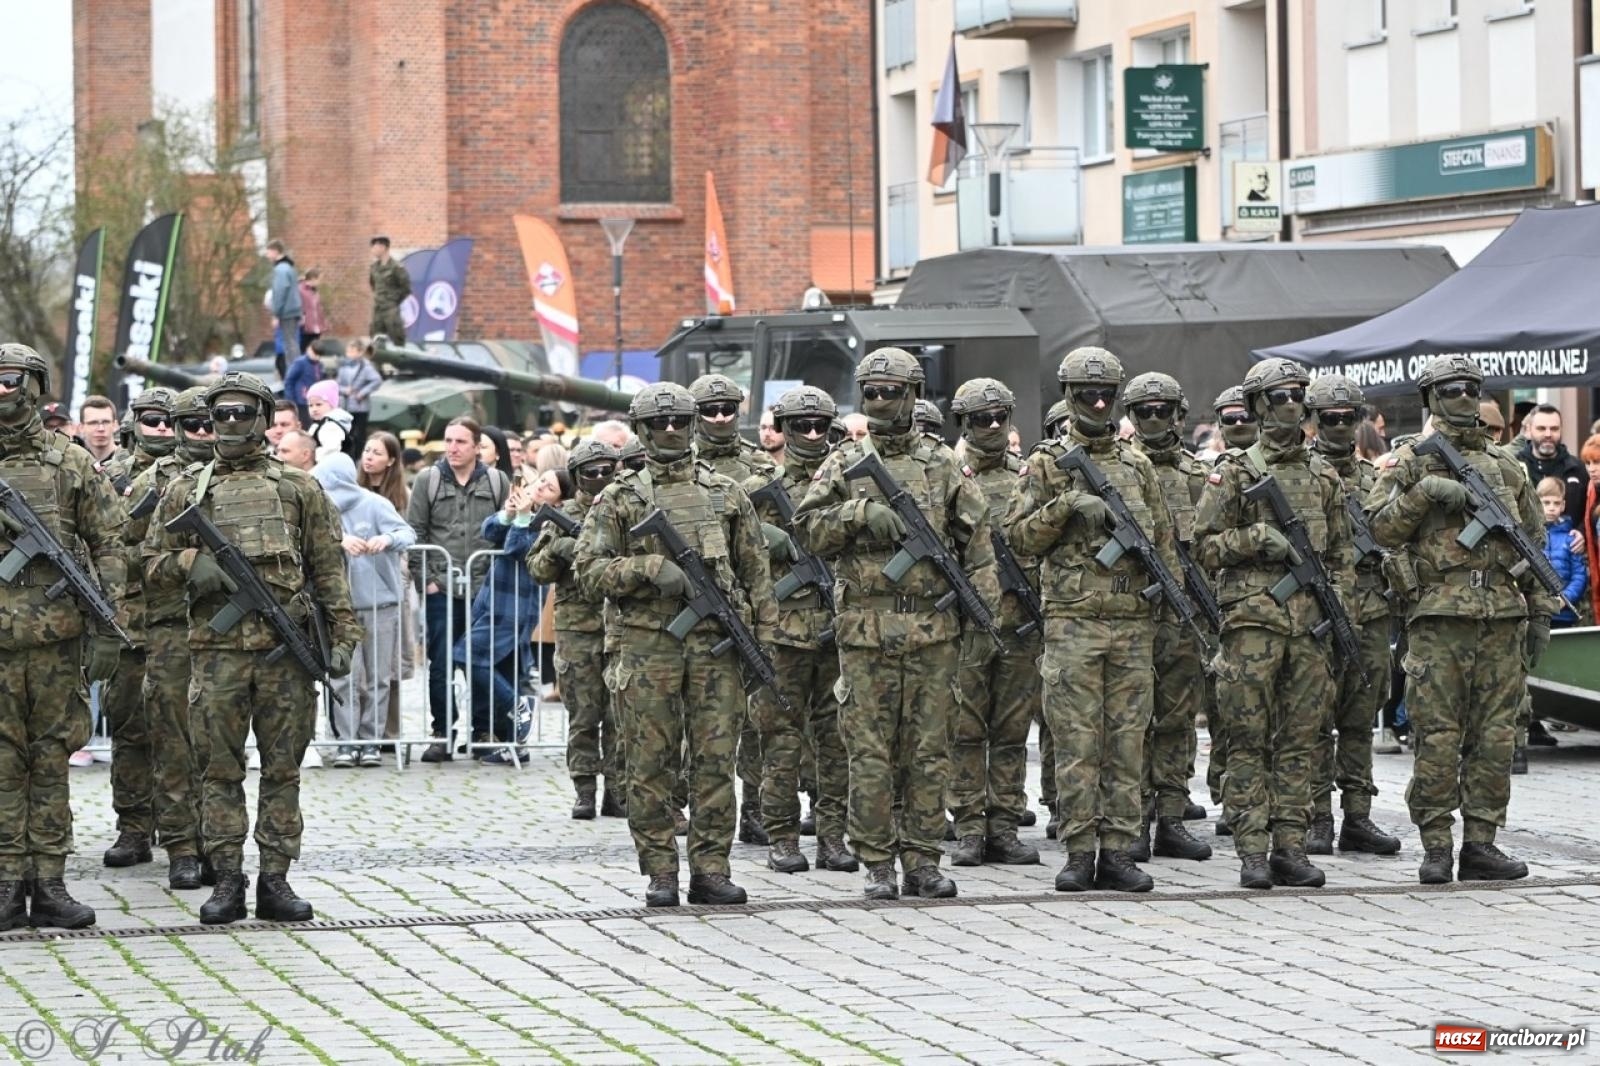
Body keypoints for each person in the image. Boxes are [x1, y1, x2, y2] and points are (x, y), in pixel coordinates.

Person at [145, 371, 360, 925]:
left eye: (244, 413)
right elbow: (146, 565)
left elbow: (329, 570)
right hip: (215, 655)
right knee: (219, 771)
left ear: (264, 419)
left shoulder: (299, 487)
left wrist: (343, 637)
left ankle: (275, 879)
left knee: (283, 770)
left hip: (284, 657)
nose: (233, 423)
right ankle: (227, 880)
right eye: (223, 414)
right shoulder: (186, 490)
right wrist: (195, 564)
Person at [795, 348, 998, 901]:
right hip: (866, 633)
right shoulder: (843, 462)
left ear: (913, 395)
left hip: (933, 634)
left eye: (891, 391)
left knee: (929, 753)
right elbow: (806, 529)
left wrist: (984, 613)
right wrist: (858, 513)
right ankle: (878, 861)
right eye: (872, 392)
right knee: (871, 754)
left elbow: (977, 546)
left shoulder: (942, 463)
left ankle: (923, 859)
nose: (880, 401)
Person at [574, 382, 779, 907]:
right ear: (641, 431)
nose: (670, 430)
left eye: (680, 422)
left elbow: (756, 574)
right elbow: (589, 570)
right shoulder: (621, 497)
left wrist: (765, 641)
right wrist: (646, 569)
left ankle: (710, 868)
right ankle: (661, 871)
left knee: (715, 761)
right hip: (647, 649)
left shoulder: (725, 494)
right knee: (649, 762)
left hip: (716, 649)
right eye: (659, 424)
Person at [1368, 355, 1546, 885]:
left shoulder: (1507, 465)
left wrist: (1538, 611)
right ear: (1431, 398)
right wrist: (1423, 494)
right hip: (1440, 619)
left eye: (1471, 387)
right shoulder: (1411, 461)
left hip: (1500, 617)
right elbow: (1377, 530)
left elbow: (1531, 542)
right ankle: (1437, 845)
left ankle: (1482, 842)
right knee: (1439, 734)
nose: (1464, 396)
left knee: (1496, 735)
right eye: (1451, 389)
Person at [1006, 350, 1172, 894]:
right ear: (1068, 395)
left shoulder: (1138, 466)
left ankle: (1119, 850)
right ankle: (1079, 850)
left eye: (1106, 395)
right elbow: (1017, 539)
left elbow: (1163, 546)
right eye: (1085, 395)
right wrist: (1067, 507)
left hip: (1131, 625)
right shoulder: (1048, 464)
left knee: (1127, 742)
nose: (1098, 404)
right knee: (1078, 742)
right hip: (1073, 623)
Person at [1195, 357, 1351, 890]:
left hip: (1308, 629)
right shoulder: (1236, 473)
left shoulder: (1324, 475)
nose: (1291, 406)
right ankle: (1253, 850)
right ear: (1259, 405)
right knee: (1246, 739)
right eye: (1280, 397)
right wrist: (1255, 540)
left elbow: (1342, 558)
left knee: (1302, 741)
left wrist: (1336, 616)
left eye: (1297, 398)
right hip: (1251, 627)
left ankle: (1290, 844)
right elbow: (1204, 547)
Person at [0, 344, 127, 930]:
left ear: (34, 385)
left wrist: (111, 624)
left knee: (51, 758)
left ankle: (48, 881)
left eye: (10, 380)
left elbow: (111, 545)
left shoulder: (69, 463)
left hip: (56, 642)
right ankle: (6, 882)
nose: (2, 391)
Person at [742, 387, 856, 875]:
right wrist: (767, 538)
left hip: (838, 632)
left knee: (836, 742)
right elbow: (730, 551)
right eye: (800, 426)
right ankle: (783, 838)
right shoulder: (757, 492)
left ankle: (832, 837)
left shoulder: (848, 483)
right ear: (783, 431)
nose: (811, 435)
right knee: (781, 743)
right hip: (782, 635)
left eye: (820, 427)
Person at [943, 379, 1043, 871]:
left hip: (1020, 624)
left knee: (1010, 731)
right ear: (965, 422)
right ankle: (967, 826)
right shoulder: (947, 474)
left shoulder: (1027, 476)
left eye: (1000, 417)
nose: (993, 427)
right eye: (982, 419)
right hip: (967, 627)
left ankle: (1003, 824)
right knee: (964, 731)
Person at [1302, 375, 1402, 858]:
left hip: (1370, 609)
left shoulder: (1375, 480)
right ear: (1314, 422)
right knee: (1316, 717)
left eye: (1349, 418)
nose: (1341, 427)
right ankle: (1317, 816)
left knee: (1361, 717)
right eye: (1331, 419)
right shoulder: (1299, 478)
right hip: (1318, 611)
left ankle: (1357, 816)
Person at [1123, 372, 1214, 864]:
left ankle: (1172, 817)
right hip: (1133, 615)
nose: (1154, 420)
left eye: (1163, 411)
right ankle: (1133, 819)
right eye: (1144, 412)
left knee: (1177, 721)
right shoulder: (1121, 470)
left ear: (1179, 414)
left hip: (1184, 617)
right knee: (1133, 720)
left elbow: (1215, 542)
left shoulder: (1199, 476)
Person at [130, 386, 214, 889]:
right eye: (193, 426)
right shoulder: (151, 483)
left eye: (210, 423)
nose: (204, 434)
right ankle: (182, 845)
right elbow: (125, 557)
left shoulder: (241, 478)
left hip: (227, 632)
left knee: (218, 744)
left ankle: (218, 843)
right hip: (167, 629)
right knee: (171, 742)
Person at [688, 373, 777, 847]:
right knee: (698, 722)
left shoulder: (760, 464)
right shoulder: (681, 467)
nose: (721, 418)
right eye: (710, 411)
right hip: (698, 607)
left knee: (757, 719)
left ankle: (756, 808)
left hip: (747, 601)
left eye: (728, 409)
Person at [99, 387, 179, 875]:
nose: (164, 429)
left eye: (172, 420)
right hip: (129, 622)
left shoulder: (197, 478)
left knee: (181, 733)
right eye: (153, 420)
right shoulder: (111, 478)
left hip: (180, 623)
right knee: (129, 729)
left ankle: (182, 830)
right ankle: (133, 825)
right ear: (136, 423)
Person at [529, 441, 627, 818]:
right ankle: (584, 789)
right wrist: (560, 549)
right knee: (584, 717)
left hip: (618, 626)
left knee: (619, 718)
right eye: (592, 472)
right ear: (577, 475)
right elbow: (536, 569)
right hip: (578, 629)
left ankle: (617, 792)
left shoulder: (624, 508)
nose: (600, 479)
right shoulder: (563, 514)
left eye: (607, 471)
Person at [405, 417, 511, 762]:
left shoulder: (497, 481)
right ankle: (442, 732)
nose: (452, 447)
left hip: (484, 588)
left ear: (477, 446)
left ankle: (483, 730)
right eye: (448, 441)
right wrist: (428, 583)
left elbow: (505, 532)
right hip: (443, 587)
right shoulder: (428, 480)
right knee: (441, 664)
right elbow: (415, 534)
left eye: (460, 442)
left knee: (481, 662)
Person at [314, 453, 413, 768]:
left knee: (378, 676)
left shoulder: (374, 504)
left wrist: (386, 539)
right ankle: (346, 741)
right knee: (344, 675)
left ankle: (370, 740)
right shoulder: (319, 511)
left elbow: (407, 534)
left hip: (379, 602)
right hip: (338, 606)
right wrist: (338, 541)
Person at [455, 472, 552, 764]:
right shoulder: (526, 513)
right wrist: (509, 514)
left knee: (467, 654)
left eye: (550, 487)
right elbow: (489, 532)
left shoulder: (552, 522)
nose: (541, 486)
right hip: (494, 600)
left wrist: (522, 518)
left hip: (518, 604)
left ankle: (516, 704)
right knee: (506, 669)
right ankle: (514, 747)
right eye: (541, 480)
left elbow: (518, 549)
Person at [357, 431, 415, 746]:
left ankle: (388, 731)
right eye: (367, 450)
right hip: (359, 586)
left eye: (377, 452)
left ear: (391, 460)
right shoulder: (353, 493)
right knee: (359, 667)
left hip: (391, 586)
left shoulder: (400, 496)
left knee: (388, 662)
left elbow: (408, 535)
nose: (369, 457)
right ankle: (357, 732)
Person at [1517, 404, 1588, 526]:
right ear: (1529, 430)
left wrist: (1581, 532)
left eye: (1554, 429)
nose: (1548, 434)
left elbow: (1589, 510)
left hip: (1567, 543)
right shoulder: (1514, 466)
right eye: (1541, 428)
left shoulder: (1578, 469)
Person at [1537, 477, 1587, 627]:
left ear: (1563, 505)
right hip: (1536, 614)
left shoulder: (1571, 539)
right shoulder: (1529, 537)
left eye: (1556, 503)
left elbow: (1579, 576)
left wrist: (1564, 600)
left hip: (1564, 614)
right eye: (1546, 503)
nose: (1551, 508)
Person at [336, 337, 383, 457]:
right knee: (347, 432)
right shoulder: (343, 366)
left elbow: (376, 380)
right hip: (346, 404)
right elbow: (337, 384)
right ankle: (348, 455)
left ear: (359, 352)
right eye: (348, 351)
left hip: (360, 406)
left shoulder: (366, 367)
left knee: (360, 433)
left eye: (352, 351)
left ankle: (360, 456)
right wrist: (344, 390)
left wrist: (362, 393)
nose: (349, 354)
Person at [369, 236, 411, 343]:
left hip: (391, 309)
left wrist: (393, 300)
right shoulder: (374, 267)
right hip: (378, 308)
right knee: (375, 337)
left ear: (383, 247)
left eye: (374, 247)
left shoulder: (396, 267)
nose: (372, 250)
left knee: (396, 336)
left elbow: (406, 288)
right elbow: (373, 285)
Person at [304, 380, 352, 463]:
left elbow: (330, 450)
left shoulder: (330, 426)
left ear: (332, 405)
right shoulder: (319, 424)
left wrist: (312, 458)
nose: (314, 409)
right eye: (310, 405)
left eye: (319, 404)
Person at [282, 343, 324, 429]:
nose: (316, 357)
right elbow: (289, 381)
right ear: (309, 350)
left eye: (319, 355)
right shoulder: (300, 363)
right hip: (301, 401)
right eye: (315, 353)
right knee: (305, 425)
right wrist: (291, 401)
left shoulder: (319, 364)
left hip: (314, 400)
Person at [78, 395, 122, 467]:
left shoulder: (130, 461)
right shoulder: (72, 461)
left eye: (106, 422)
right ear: (81, 427)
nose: (100, 428)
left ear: (115, 425)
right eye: (93, 423)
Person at [297, 268, 327, 352]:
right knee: (304, 349)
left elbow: (317, 308)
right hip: (305, 326)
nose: (320, 282)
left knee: (315, 350)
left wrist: (322, 322)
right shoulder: (300, 289)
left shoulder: (314, 291)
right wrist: (302, 319)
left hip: (316, 326)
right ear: (313, 278)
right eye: (319, 279)